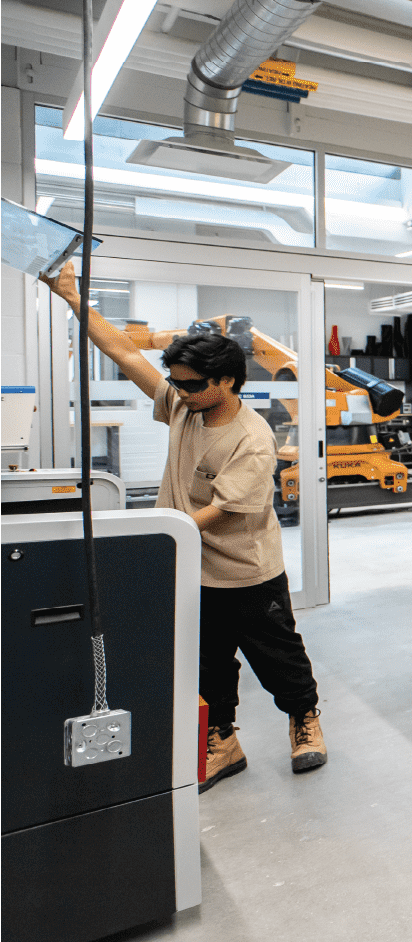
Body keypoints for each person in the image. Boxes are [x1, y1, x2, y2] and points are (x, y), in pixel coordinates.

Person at [44, 262, 328, 791]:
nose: (179, 391)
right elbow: (126, 353)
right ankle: (223, 740)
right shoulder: (183, 403)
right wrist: (72, 296)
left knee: (277, 655)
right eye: (175, 381)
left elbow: (221, 510)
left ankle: (304, 719)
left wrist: (154, 536)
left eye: (192, 384)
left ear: (225, 382)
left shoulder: (251, 437)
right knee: (206, 659)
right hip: (191, 567)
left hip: (246, 571)